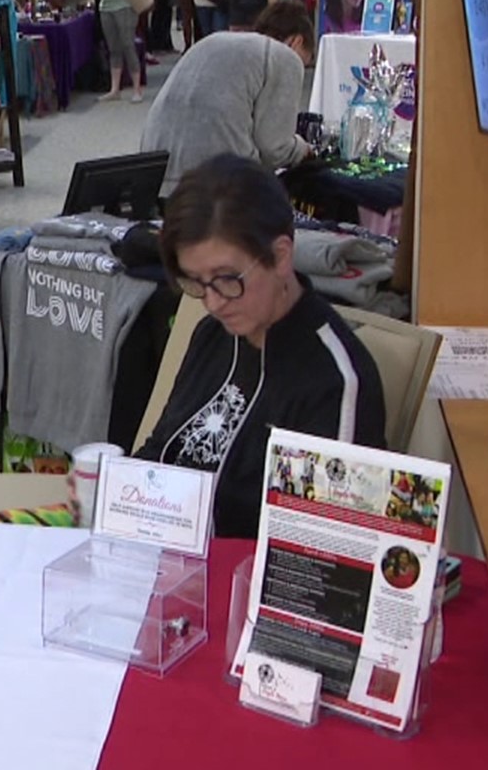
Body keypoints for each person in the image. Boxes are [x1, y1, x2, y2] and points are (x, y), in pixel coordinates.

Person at [132, 155, 386, 538]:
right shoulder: (213, 334)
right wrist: (113, 490)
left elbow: (315, 551)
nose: (214, 302)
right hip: (165, 561)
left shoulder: (332, 380)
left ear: (281, 257)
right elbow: (163, 450)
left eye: (226, 279)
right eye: (196, 282)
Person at [140, 1, 317, 198]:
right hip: (218, 186)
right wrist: (304, 149)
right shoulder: (284, 57)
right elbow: (274, 148)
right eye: (305, 61)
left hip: (156, 171)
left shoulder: (215, 40)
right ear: (297, 42)